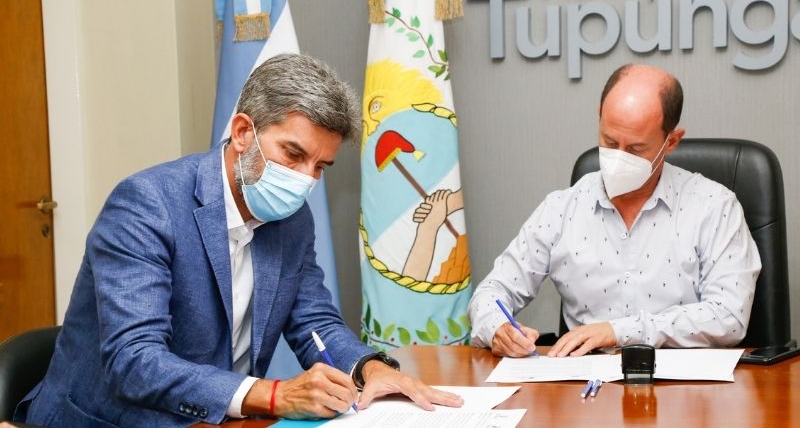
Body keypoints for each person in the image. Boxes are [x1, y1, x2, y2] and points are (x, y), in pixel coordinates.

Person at [16, 53, 462, 427]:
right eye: (293, 154)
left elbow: (315, 324)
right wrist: (274, 395)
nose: (305, 180)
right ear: (244, 132)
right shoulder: (147, 203)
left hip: (218, 421)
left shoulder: (292, 218)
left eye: (320, 167)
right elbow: (134, 361)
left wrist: (370, 368)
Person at [468, 64, 761, 358]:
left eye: (635, 149)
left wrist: (618, 331)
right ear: (600, 117)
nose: (619, 157)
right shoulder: (562, 208)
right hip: (586, 379)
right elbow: (491, 292)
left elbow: (728, 317)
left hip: (684, 381)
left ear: (671, 141)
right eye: (609, 142)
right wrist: (498, 328)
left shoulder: (714, 206)